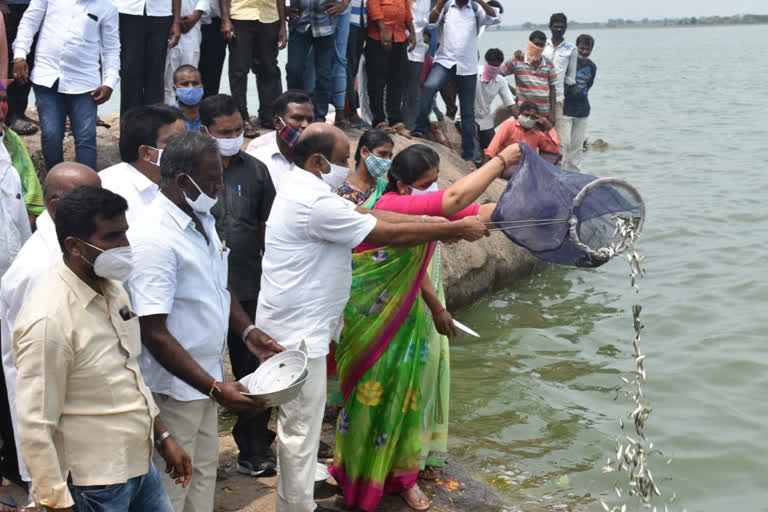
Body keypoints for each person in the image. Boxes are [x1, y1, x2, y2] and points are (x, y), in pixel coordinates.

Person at [258, 122, 490, 512]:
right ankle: (297, 507)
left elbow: (370, 212)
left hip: (308, 326)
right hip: (302, 331)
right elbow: (385, 231)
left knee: (304, 429)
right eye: (340, 159)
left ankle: (299, 502)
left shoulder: (311, 190)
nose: (347, 166)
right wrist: (449, 225)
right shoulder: (315, 201)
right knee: (300, 433)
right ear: (317, 161)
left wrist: (441, 227)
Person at [331, 142, 521, 511]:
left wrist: (532, 210)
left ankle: (402, 478)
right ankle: (357, 481)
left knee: (406, 397)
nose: (432, 188)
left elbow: (472, 213)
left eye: (436, 181)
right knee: (370, 400)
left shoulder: (417, 210)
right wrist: (500, 162)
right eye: (425, 183)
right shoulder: (387, 207)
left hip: (409, 317)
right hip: (372, 322)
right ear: (403, 186)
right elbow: (449, 207)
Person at [125, 131, 283, 512]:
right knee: (172, 489)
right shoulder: (154, 239)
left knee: (202, 479)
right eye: (213, 178)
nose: (220, 186)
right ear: (182, 180)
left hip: (205, 382)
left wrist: (247, 330)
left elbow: (218, 285)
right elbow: (153, 331)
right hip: (175, 390)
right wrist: (214, 387)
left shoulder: (201, 218)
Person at [13, 185, 194, 511]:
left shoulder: (112, 289)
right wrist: (55, 500)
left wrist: (164, 437)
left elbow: (130, 373)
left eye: (125, 233)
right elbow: (35, 423)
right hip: (93, 485)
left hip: (140, 466)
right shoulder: (48, 320)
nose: (125, 246)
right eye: (111, 238)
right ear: (73, 246)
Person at [0, 163, 101, 501]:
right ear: (57, 208)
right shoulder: (38, 269)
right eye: (90, 200)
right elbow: (36, 376)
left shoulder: (70, 250)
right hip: (58, 432)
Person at [200, 94, 278, 477]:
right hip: (202, 291)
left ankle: (252, 450)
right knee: (200, 367)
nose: (233, 137)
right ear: (205, 132)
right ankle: (200, 456)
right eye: (224, 132)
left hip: (248, 287)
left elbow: (268, 230)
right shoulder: (193, 173)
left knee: (252, 370)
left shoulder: (258, 171)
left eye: (238, 130)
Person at [11, 0, 120, 171]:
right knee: (51, 135)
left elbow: (112, 48)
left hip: (85, 84)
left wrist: (109, 82)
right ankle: (56, 189)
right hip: (47, 78)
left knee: (86, 138)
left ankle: (87, 193)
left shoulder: (107, 8)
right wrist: (20, 55)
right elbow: (29, 22)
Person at [412, 0, 501, 170]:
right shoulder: (446, 8)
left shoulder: (476, 10)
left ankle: (469, 155)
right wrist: (441, 3)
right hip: (445, 61)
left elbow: (495, 17)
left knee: (467, 111)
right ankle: (419, 129)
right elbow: (429, 21)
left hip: (467, 67)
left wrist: (480, 1)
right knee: (430, 87)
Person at [0, 101, 31, 511]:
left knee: (16, 378)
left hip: (11, 284)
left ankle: (21, 467)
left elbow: (20, 216)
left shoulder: (8, 148)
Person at [100, 105, 185, 226]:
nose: (185, 147)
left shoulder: (182, 182)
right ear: (146, 153)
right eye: (172, 142)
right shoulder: (110, 191)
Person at [248, 90, 346, 192]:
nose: (305, 125)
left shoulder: (323, 160)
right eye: (298, 118)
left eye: (309, 120)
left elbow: (340, 194)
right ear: (277, 123)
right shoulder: (257, 159)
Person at [227, 0, 284, 137]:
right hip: (240, 16)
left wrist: (282, 25)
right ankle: (242, 118)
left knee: (269, 68)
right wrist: (225, 19)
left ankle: (268, 116)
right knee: (239, 70)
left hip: (269, 17)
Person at [115, 0, 181, 113]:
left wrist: (176, 22)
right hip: (127, 12)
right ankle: (130, 125)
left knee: (156, 75)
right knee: (129, 73)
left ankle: (154, 126)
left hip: (161, 14)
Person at [364, 0, 415, 137]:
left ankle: (396, 121)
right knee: (377, 81)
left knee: (397, 81)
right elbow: (373, 7)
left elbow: (407, 13)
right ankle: (379, 121)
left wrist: (412, 32)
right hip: (378, 37)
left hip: (399, 38)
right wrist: (383, 30)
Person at [285, 0, 337, 122]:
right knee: (294, 70)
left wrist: (344, 4)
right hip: (299, 24)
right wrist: (283, 9)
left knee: (324, 75)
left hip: (325, 25)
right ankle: (295, 112)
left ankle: (319, 118)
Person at [0, 96, 44, 225]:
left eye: (3, 99)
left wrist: (30, 215)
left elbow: (28, 177)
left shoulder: (11, 138)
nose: (1, 106)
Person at [500, 31, 557, 121]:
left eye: (541, 45)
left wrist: (553, 113)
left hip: (544, 115)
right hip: (524, 114)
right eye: (536, 44)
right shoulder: (517, 60)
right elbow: (498, 75)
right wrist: (512, 91)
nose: (538, 47)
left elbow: (553, 89)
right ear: (530, 43)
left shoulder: (549, 64)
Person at [473, 47, 516, 163]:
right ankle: (476, 166)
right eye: (490, 64)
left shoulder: (500, 81)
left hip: (485, 120)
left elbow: (511, 104)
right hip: (466, 117)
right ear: (485, 62)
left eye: (496, 66)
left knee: (493, 148)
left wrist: (521, 121)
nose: (492, 68)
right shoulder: (473, 74)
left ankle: (491, 168)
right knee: (474, 145)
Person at [561, 34, 596, 171]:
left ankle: (575, 176)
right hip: (565, 110)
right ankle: (560, 174)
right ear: (576, 47)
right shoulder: (567, 63)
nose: (584, 52)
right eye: (582, 48)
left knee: (577, 148)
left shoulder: (592, 67)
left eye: (588, 49)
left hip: (582, 111)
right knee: (564, 145)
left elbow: (589, 85)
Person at [2, 0, 37, 136]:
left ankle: (18, 112)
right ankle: (10, 115)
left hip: (34, 6)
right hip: (11, 6)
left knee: (28, 60)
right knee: (9, 60)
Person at [483, 101, 560, 162]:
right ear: (520, 113)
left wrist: (549, 128)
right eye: (526, 115)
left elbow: (554, 150)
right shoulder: (509, 125)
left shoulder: (537, 133)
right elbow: (493, 147)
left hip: (527, 166)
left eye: (533, 117)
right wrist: (484, 168)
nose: (529, 118)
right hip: (507, 164)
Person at [163, 0, 207, 106]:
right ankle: (170, 116)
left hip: (192, 24)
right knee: (167, 80)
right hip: (165, 20)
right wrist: (175, 20)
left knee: (190, 79)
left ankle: (189, 117)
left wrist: (197, 14)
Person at [542, 12, 576, 144]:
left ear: (566, 28)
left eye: (562, 27)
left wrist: (560, 96)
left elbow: (570, 78)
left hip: (558, 99)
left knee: (559, 139)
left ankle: (559, 164)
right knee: (538, 135)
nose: (559, 29)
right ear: (550, 27)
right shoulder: (541, 45)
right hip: (539, 96)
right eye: (556, 26)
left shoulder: (571, 49)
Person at [335, 128, 392, 206]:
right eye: (382, 154)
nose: (387, 160)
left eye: (390, 156)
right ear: (364, 152)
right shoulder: (342, 190)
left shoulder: (387, 187)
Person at [402, 0, 429, 131]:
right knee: (394, 87)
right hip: (397, 42)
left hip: (417, 47)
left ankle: (410, 126)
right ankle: (392, 121)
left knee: (413, 91)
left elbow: (430, 23)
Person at [199, 0, 231, 98]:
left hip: (216, 21)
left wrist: (225, 19)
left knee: (212, 74)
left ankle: (208, 110)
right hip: (183, 19)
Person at [343, 0, 367, 128]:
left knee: (353, 68)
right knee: (348, 67)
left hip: (363, 20)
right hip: (349, 19)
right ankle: (350, 112)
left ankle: (349, 111)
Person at [170, 64, 204, 132]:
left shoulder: (211, 114)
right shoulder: (167, 117)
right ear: (175, 89)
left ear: (202, 86)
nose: (191, 87)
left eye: (195, 83)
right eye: (185, 84)